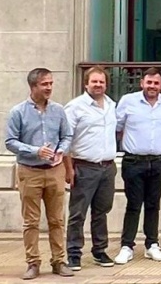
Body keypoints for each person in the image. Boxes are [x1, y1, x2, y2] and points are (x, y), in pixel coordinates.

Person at [6, 68, 73, 280]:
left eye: (51, 83)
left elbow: (67, 135)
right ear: (33, 86)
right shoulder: (18, 112)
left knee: (57, 219)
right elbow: (10, 141)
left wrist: (61, 150)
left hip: (55, 171)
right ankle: (33, 262)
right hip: (29, 171)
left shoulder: (58, 110)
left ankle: (59, 261)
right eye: (45, 84)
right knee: (31, 221)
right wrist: (35, 151)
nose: (49, 88)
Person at [114, 68, 161, 264]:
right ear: (142, 83)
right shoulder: (128, 101)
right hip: (133, 161)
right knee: (133, 205)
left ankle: (152, 245)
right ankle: (127, 246)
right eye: (149, 82)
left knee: (153, 204)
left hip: (158, 161)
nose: (152, 86)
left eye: (156, 83)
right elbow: (117, 127)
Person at [64, 66, 117, 271]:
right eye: (94, 81)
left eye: (101, 82)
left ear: (106, 84)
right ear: (86, 84)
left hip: (108, 168)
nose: (98, 85)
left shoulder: (111, 105)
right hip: (84, 167)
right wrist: (68, 169)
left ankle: (100, 250)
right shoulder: (75, 107)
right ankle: (74, 253)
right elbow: (65, 140)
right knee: (78, 213)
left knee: (101, 211)